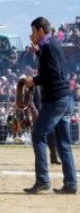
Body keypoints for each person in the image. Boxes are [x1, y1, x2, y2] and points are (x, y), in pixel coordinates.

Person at [23, 16, 77, 194]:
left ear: (40, 30)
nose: (32, 35)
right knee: (64, 143)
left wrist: (34, 81)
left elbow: (51, 74)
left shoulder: (48, 48)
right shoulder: (52, 46)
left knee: (38, 135)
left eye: (33, 31)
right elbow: (53, 68)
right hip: (65, 99)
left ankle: (43, 180)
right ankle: (70, 184)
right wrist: (37, 52)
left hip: (55, 99)